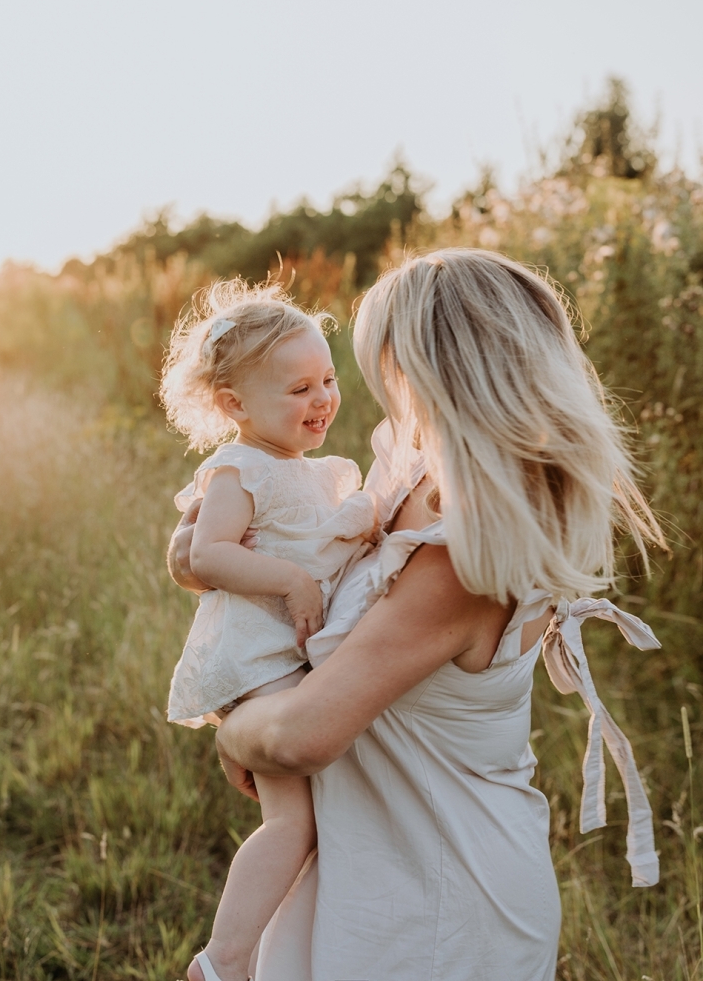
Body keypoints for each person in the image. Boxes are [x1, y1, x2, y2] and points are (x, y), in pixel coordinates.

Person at [170, 249, 665, 981]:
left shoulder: (462, 554)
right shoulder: (410, 475)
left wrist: (237, 733)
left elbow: (301, 738)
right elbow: (297, 552)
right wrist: (195, 547)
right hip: (373, 860)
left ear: (427, 367)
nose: (368, 388)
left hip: (442, 892)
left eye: (373, 364)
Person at [160, 279, 377, 981]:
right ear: (235, 406)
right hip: (254, 656)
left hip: (283, 656)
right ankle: (224, 962)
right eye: (298, 390)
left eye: (326, 380)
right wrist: (290, 579)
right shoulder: (241, 467)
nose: (321, 400)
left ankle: (271, 954)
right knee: (293, 822)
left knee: (314, 819)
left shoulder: (320, 472)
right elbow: (204, 555)